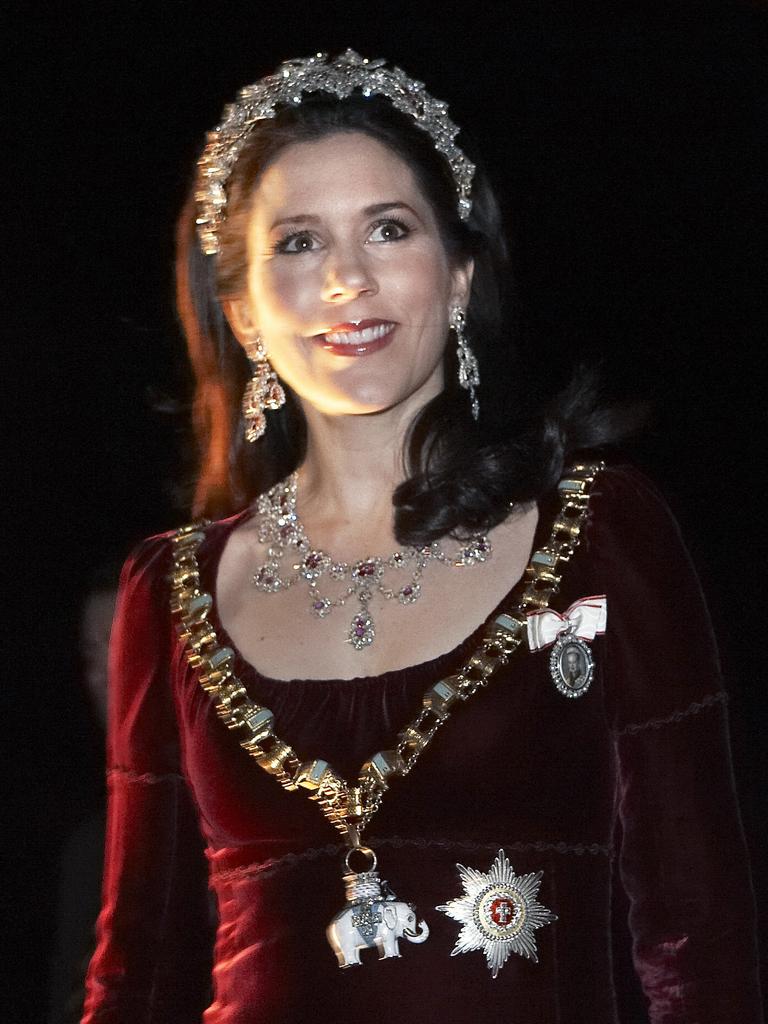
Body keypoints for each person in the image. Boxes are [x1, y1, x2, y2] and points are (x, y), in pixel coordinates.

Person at [81, 50, 762, 1023]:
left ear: (458, 274)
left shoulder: (603, 539)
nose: (349, 279)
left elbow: (703, 955)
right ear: (243, 313)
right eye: (300, 243)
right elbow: (135, 978)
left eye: (388, 229)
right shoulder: (170, 590)